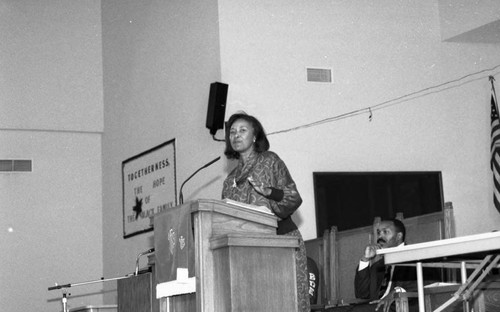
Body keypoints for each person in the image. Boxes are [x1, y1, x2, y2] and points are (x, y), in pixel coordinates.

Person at [221, 112, 310, 312]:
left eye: (242, 130)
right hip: (245, 251)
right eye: (232, 132)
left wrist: (269, 192)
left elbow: (293, 198)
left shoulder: (270, 161)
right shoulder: (230, 180)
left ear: (255, 136)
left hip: (280, 243)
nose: (236, 135)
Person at [353, 219, 418, 312]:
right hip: (376, 306)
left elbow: (425, 285)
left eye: (385, 232)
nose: (380, 236)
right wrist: (365, 259)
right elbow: (362, 295)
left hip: (400, 307)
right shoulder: (377, 266)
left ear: (399, 236)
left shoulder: (415, 257)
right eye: (379, 233)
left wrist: (397, 291)